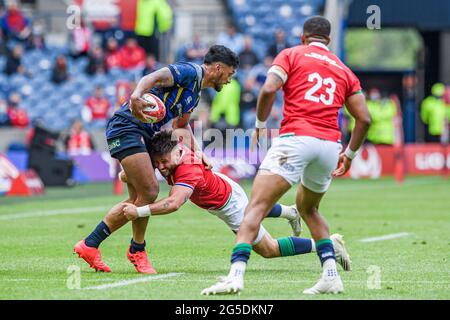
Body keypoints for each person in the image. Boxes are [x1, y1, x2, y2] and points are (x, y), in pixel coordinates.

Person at [202, 16, 371, 296]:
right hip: (330, 145)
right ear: (328, 40)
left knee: (255, 207)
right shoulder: (344, 69)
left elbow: (269, 89)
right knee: (310, 210)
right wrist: (350, 155)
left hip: (296, 139)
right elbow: (364, 119)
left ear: (304, 38)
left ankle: (235, 276)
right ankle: (330, 274)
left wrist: (258, 125)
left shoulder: (291, 54)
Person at [73, 45, 240, 274]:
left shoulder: (194, 95)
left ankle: (90, 244)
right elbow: (151, 77)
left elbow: (180, 126)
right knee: (149, 192)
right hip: (127, 127)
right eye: (230, 74)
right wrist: (135, 95)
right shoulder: (189, 72)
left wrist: (199, 152)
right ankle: (136, 249)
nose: (230, 80)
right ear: (219, 68)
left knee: (137, 198)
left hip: (144, 133)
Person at [118, 130, 350, 268]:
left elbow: (174, 203)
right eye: (157, 162)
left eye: (164, 162)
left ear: (177, 153)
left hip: (229, 205)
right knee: (255, 209)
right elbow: (182, 133)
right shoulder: (174, 152)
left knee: (268, 250)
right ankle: (290, 212)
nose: (161, 167)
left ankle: (327, 244)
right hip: (223, 186)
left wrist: (139, 212)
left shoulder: (187, 169)